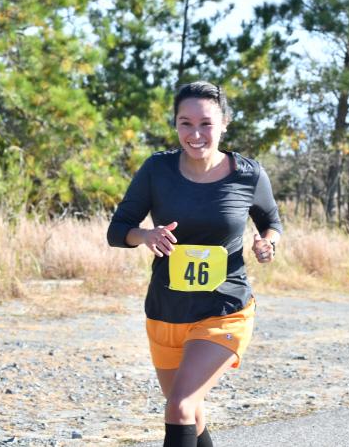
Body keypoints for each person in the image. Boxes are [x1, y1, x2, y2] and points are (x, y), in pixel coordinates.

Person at [107, 81, 282, 447]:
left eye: (205, 123)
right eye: (185, 123)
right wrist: (146, 236)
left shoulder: (248, 174)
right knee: (190, 411)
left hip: (224, 309)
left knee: (181, 406)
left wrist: (268, 243)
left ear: (224, 124)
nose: (196, 133)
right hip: (166, 310)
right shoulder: (157, 170)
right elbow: (118, 230)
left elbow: (271, 222)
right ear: (175, 125)